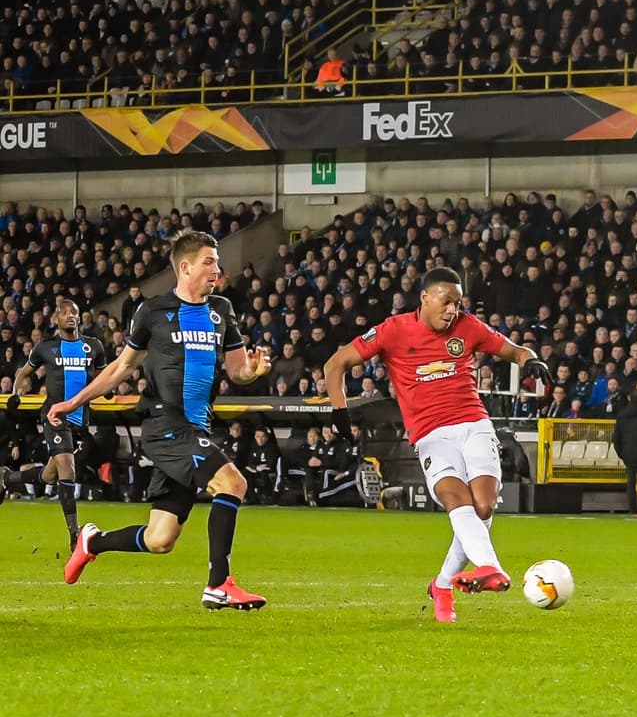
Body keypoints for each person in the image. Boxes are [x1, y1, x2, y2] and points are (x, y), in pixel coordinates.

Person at [51, 231, 273, 610]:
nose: (217, 269)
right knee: (233, 483)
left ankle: (93, 541)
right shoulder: (153, 311)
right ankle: (219, 584)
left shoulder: (222, 310)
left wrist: (254, 370)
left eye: (217, 262)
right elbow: (121, 368)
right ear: (185, 267)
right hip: (165, 424)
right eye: (209, 261)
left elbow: (237, 372)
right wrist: (73, 401)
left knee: (160, 539)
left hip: (196, 428)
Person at [324, 267, 549, 624]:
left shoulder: (468, 327)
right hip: (430, 434)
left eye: (458, 304)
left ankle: (443, 585)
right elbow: (335, 364)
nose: (453, 311)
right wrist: (339, 410)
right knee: (454, 498)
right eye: (447, 302)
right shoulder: (393, 330)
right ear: (425, 298)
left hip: (473, 423)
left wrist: (530, 360)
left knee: (485, 505)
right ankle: (489, 567)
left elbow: (511, 349)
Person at [2, 300, 106, 547]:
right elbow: (24, 372)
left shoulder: (94, 347)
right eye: (65, 313)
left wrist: (108, 390)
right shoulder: (46, 348)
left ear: (79, 318)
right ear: (56, 319)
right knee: (67, 468)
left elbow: (104, 375)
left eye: (75, 313)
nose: (70, 316)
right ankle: (74, 535)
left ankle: (7, 479)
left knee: (50, 475)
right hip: (54, 416)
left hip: (79, 420)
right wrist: (16, 394)